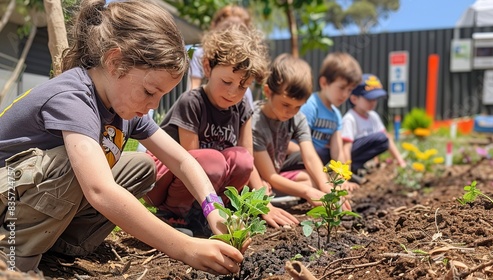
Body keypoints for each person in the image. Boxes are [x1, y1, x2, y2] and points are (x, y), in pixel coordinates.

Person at [0, 0, 243, 275]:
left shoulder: (123, 104)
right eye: (150, 92)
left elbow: (183, 161)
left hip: (29, 198)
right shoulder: (73, 98)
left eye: (162, 96)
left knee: (141, 166)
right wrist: (184, 247)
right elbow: (99, 190)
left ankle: (60, 245)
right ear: (115, 62)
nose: (154, 105)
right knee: (80, 166)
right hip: (6, 201)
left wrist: (213, 208)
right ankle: (14, 258)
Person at [144, 22, 295, 234]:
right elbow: (190, 161)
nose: (233, 92)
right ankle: (173, 215)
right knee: (211, 160)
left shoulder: (242, 108)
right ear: (207, 67)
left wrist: (264, 204)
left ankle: (210, 213)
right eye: (226, 81)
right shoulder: (192, 102)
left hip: (203, 182)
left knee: (241, 159)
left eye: (243, 86)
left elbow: (248, 162)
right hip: (165, 181)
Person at [251, 53, 354, 210]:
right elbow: (270, 175)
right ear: (268, 92)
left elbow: (310, 157)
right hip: (256, 178)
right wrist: (307, 192)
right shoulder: (255, 122)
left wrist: (327, 188)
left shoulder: (297, 117)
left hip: (275, 175)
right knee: (307, 186)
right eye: (285, 104)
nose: (290, 112)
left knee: (311, 179)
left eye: (298, 106)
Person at [299, 52, 362, 165]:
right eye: (341, 88)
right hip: (301, 156)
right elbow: (297, 143)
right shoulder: (310, 105)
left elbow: (337, 153)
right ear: (324, 83)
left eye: (349, 90)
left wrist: (342, 179)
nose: (345, 95)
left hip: (319, 159)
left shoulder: (336, 115)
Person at [188, 5, 254, 108]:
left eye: (239, 29)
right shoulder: (201, 54)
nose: (232, 31)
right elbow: (194, 87)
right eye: (227, 26)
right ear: (214, 26)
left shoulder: (249, 59)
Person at [342, 74, 406, 174]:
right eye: (369, 99)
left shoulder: (373, 116)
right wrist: (345, 174)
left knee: (383, 138)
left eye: (375, 99)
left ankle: (366, 166)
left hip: (362, 156)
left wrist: (400, 161)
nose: (373, 102)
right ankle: (354, 169)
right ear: (354, 99)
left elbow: (387, 139)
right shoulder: (350, 119)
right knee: (380, 137)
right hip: (352, 156)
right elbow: (346, 147)